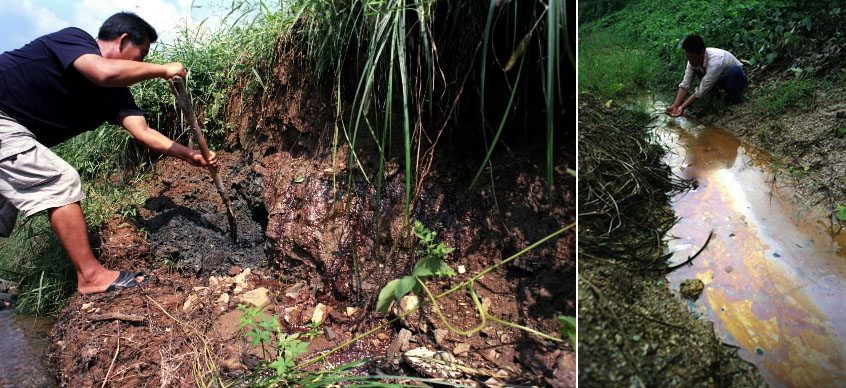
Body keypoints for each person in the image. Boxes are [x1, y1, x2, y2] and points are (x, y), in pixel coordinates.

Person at [0, 12, 217, 294]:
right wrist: (163, 69)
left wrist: (189, 154)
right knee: (60, 181)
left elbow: (144, 132)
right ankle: (91, 277)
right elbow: (103, 72)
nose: (140, 64)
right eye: (141, 55)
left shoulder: (116, 94)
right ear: (123, 40)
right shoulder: (74, 39)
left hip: (14, 134)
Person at [667, 34, 748, 117]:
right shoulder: (692, 61)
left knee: (736, 71)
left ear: (702, 52)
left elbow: (701, 89)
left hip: (734, 78)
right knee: (698, 70)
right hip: (718, 80)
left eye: (693, 57)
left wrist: (682, 107)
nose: (690, 61)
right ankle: (715, 95)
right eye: (688, 57)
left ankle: (733, 96)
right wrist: (675, 105)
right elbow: (685, 84)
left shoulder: (716, 61)